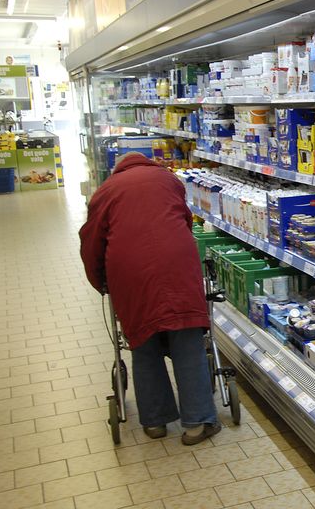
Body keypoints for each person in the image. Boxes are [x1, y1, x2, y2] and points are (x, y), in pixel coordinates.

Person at [79, 152, 220, 445]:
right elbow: (184, 220)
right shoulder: (168, 179)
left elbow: (91, 243)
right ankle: (196, 425)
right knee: (187, 339)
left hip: (130, 274)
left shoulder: (106, 190)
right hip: (177, 266)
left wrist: (100, 281)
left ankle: (155, 422)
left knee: (144, 344)